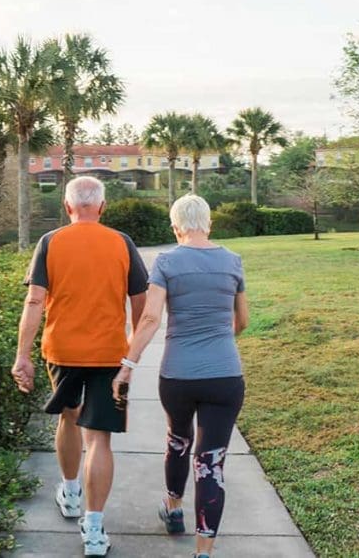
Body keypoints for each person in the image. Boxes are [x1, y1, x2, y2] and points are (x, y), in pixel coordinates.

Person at [12, 176, 149, 557]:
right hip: (110, 355)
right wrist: (133, 355)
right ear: (102, 207)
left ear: (68, 207)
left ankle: (70, 493)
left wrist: (22, 354)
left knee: (69, 418)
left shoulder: (50, 242)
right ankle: (93, 530)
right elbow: (141, 302)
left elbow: (34, 302)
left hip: (62, 351)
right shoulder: (122, 243)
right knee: (99, 438)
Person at [112, 194, 249, 558]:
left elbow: (151, 318)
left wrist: (128, 364)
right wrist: (218, 341)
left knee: (178, 440)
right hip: (225, 376)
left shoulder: (168, 261)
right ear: (209, 224)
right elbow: (243, 322)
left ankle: (173, 511)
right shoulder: (232, 261)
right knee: (211, 461)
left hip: (178, 376)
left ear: (176, 227)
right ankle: (203, 552)